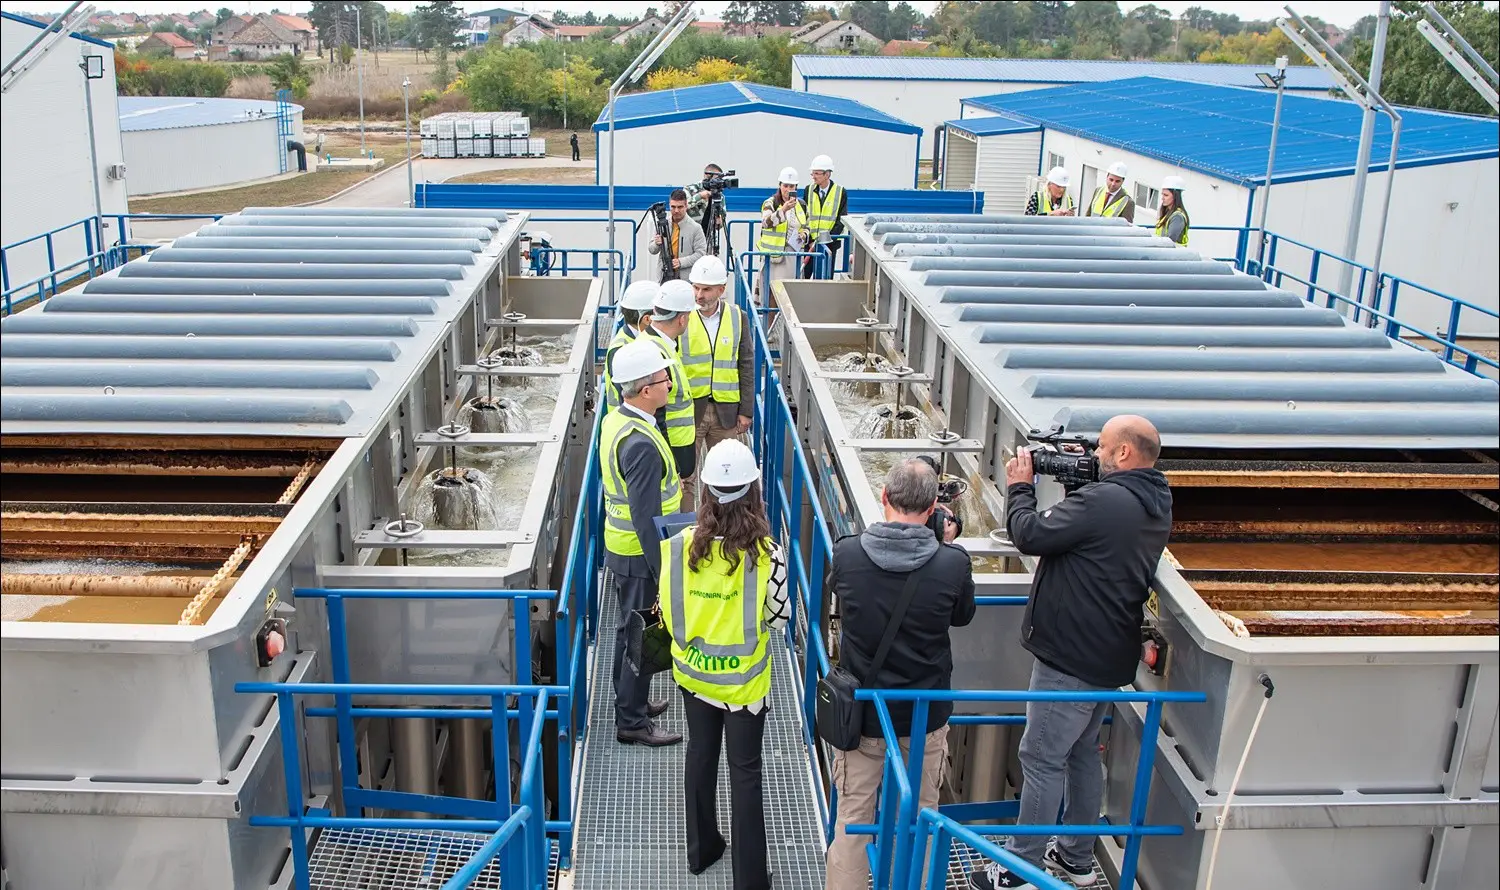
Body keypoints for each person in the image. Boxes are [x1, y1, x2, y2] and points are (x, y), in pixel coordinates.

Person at [969, 415, 1172, 890]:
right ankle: (1077, 858)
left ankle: (1021, 870)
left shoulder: (1104, 501)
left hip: (1069, 661)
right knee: (1082, 754)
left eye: (1102, 448)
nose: (1095, 456)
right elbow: (1087, 541)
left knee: (1040, 759)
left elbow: (1031, 535)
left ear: (1124, 453)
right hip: (1107, 654)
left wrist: (1021, 487)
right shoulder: (1155, 499)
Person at [825, 458, 976, 890]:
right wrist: (945, 545)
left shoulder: (848, 552)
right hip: (922, 717)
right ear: (932, 510)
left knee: (853, 820)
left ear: (884, 498)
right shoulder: (952, 564)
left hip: (864, 715)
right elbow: (962, 615)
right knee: (919, 816)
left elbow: (842, 593)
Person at [660, 439, 789, 890]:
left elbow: (669, 611)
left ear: (706, 491)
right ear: (753, 491)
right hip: (743, 689)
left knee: (699, 755)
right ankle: (750, 880)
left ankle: (702, 850)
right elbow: (779, 615)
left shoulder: (678, 547)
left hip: (693, 677)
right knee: (745, 774)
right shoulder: (766, 555)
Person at [599, 339, 687, 748]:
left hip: (623, 549)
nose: (669, 381)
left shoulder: (618, 420)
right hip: (639, 553)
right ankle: (632, 722)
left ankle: (631, 703)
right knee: (640, 634)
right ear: (645, 390)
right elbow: (645, 515)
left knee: (628, 632)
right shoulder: (640, 445)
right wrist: (663, 566)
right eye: (662, 377)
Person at [681, 256, 753, 473]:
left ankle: (718, 509)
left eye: (706, 289)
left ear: (721, 290)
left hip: (726, 414)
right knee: (686, 477)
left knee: (725, 473)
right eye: (695, 288)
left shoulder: (738, 317)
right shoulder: (682, 317)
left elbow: (746, 365)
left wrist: (746, 411)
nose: (699, 295)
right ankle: (689, 510)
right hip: (690, 412)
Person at [644, 280, 700, 510]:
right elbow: (655, 416)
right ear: (682, 318)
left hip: (676, 453)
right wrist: (671, 467)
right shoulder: (656, 353)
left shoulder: (661, 345)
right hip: (672, 457)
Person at [602, 280, 662, 412]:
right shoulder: (621, 349)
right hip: (629, 423)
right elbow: (628, 397)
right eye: (661, 314)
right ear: (647, 319)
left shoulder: (641, 339)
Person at [757, 167, 807, 301]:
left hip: (793, 256)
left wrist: (804, 236)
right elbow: (766, 223)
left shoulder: (801, 205)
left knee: (791, 297)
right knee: (773, 297)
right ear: (779, 186)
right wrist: (783, 210)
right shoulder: (771, 203)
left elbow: (807, 227)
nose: (788, 189)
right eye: (785, 185)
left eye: (792, 186)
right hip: (773, 258)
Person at [801, 154, 847, 279]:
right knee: (802, 278)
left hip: (829, 246)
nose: (813, 177)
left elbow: (841, 220)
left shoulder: (840, 192)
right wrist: (810, 240)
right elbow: (804, 217)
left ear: (827, 174)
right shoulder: (808, 190)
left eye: (817, 173)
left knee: (824, 281)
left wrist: (825, 241)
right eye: (812, 173)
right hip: (809, 244)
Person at [649, 189, 708, 282]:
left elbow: (701, 254)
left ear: (686, 206)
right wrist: (656, 243)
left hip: (686, 279)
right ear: (669, 205)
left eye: (680, 207)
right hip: (664, 276)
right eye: (673, 207)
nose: (676, 210)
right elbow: (652, 250)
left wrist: (681, 262)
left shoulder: (696, 228)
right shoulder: (662, 224)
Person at [1155, 175, 1190, 246]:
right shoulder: (1167, 213)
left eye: (1166, 195)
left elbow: (1170, 241)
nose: (1162, 198)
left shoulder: (1177, 217)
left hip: (1174, 255)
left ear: (1175, 196)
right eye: (1162, 195)